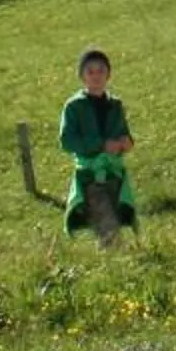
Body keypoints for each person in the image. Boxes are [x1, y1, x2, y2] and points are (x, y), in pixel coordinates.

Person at [57, 48, 136, 243]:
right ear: (82, 76)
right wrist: (101, 145)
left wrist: (126, 142)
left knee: (115, 218)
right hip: (90, 174)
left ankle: (113, 261)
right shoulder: (74, 107)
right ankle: (115, 259)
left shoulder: (115, 105)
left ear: (108, 74)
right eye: (90, 71)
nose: (96, 76)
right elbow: (67, 140)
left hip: (114, 172)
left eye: (100, 70)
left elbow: (123, 132)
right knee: (106, 223)